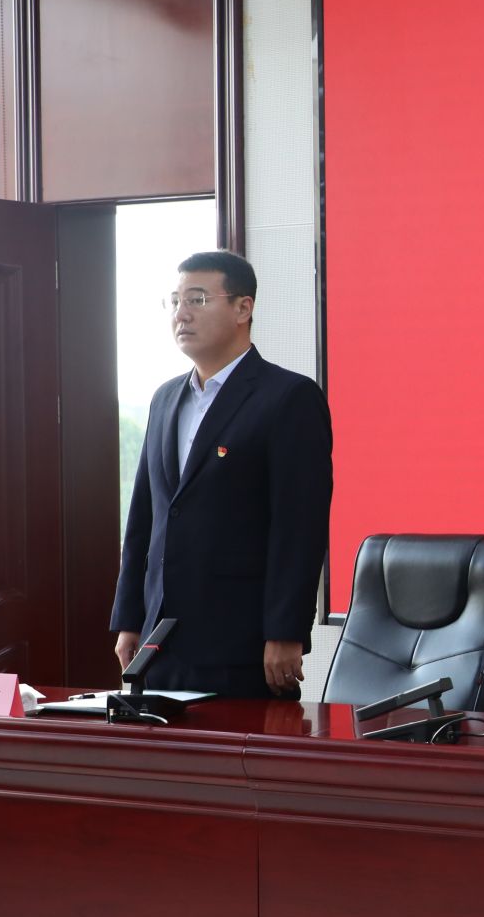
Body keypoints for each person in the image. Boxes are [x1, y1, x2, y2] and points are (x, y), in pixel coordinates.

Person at [111, 250, 333, 698]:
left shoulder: (288, 397)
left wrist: (286, 631)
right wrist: (129, 619)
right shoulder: (165, 399)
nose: (181, 314)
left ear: (243, 308)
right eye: (175, 301)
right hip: (159, 641)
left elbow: (299, 527)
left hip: (243, 643)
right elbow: (145, 519)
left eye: (197, 299)